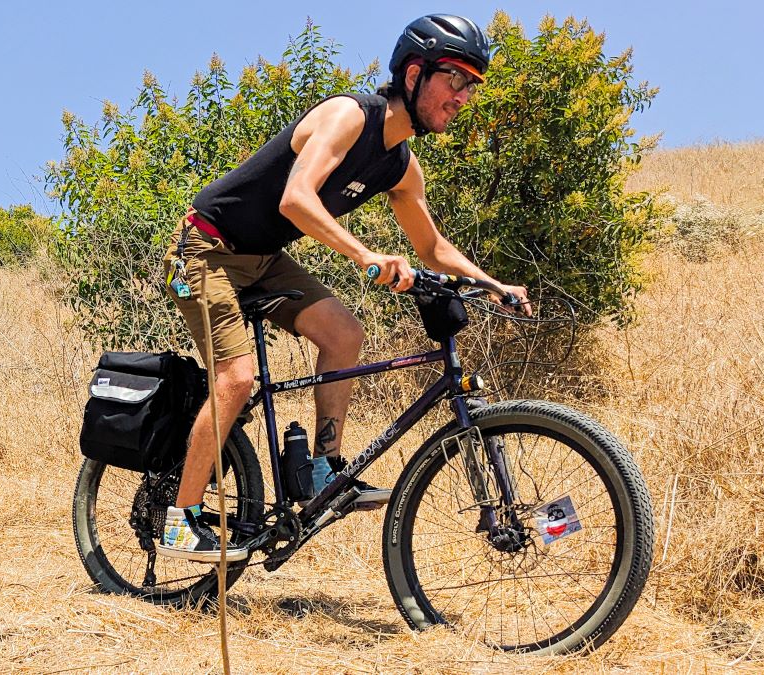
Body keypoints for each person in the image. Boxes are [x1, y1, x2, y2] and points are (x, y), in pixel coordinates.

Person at [157, 14, 531, 563]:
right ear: (413, 72)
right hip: (207, 247)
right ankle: (180, 519)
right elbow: (296, 199)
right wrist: (365, 254)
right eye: (454, 78)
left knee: (344, 335)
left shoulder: (401, 166)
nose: (464, 95)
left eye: (472, 84)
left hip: (262, 259)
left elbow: (432, 248)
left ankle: (323, 470)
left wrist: (491, 283)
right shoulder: (348, 116)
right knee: (237, 377)